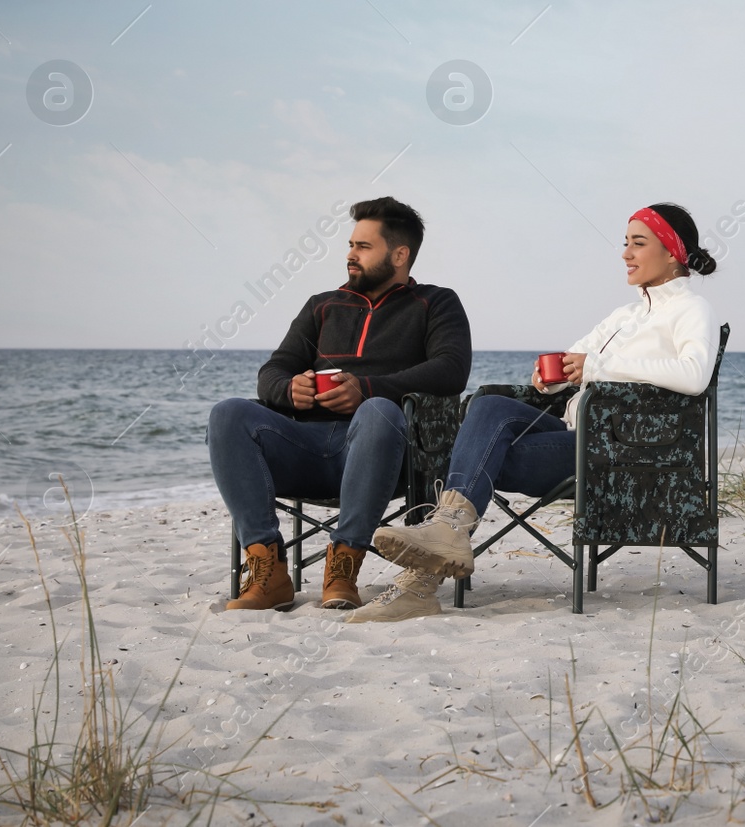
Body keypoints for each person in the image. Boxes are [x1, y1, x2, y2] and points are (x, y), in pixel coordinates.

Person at [349, 202, 719, 623]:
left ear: (672, 252)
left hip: (621, 453)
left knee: (481, 457)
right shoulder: (625, 315)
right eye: (625, 243)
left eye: (638, 243)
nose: (625, 254)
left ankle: (421, 580)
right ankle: (445, 534)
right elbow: (575, 358)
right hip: (576, 436)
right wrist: (556, 377)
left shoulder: (692, 309)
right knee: (488, 406)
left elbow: (693, 376)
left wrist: (596, 368)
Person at [210, 197, 471, 612]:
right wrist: (288, 389)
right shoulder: (322, 305)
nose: (350, 254)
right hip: (306, 449)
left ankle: (344, 567)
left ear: (399, 254)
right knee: (228, 413)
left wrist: (367, 388)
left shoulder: (436, 303)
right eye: (351, 244)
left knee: (378, 410)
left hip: (382, 453)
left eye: (363, 246)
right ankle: (268, 567)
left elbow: (451, 369)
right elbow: (273, 371)